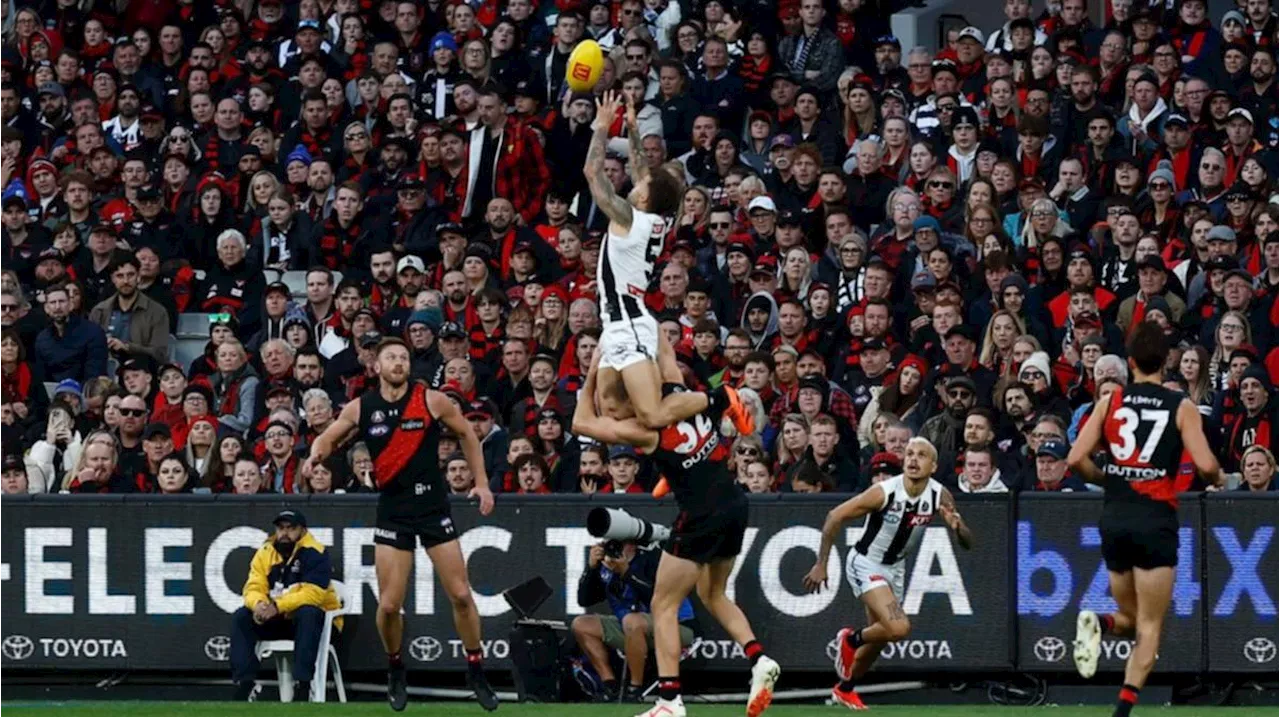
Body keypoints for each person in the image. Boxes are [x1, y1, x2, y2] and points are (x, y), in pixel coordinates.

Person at [571, 334, 778, 717]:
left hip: (699, 514)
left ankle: (669, 700)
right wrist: (644, 330)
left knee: (662, 605)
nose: (613, 410)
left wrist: (593, 368)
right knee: (713, 594)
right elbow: (665, 352)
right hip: (735, 504)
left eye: (616, 404)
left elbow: (581, 421)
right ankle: (758, 658)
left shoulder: (646, 429)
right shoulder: (685, 393)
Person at [302, 337, 498, 712]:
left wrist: (483, 483)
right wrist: (315, 456)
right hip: (393, 511)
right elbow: (330, 436)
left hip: (433, 507)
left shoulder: (430, 399)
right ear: (376, 366)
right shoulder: (363, 406)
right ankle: (395, 667)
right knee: (390, 605)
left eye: (403, 357)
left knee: (460, 594)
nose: (398, 362)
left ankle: (476, 668)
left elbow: (468, 435)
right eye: (390, 357)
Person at [1067, 322, 1222, 717]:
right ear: (1166, 363)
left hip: (1115, 517)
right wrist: (1218, 476)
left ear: (1130, 362)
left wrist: (1108, 479)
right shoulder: (1180, 405)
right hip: (1156, 520)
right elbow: (1205, 465)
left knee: (1130, 618)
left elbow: (1074, 459)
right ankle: (1122, 712)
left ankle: (1100, 623)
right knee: (1149, 625)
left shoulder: (1111, 401)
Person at [582, 90, 749, 436]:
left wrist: (601, 127)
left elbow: (592, 173)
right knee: (615, 414)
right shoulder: (655, 218)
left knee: (652, 415)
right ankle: (682, 442)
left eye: (638, 182)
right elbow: (647, 172)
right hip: (620, 320)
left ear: (643, 196)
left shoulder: (630, 218)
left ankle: (721, 399)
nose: (633, 178)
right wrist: (630, 128)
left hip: (627, 321)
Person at [802, 437, 973, 709]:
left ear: (933, 465)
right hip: (866, 562)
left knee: (881, 639)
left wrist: (956, 526)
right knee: (899, 627)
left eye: (921, 455)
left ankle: (845, 689)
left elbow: (968, 543)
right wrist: (821, 563)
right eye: (909, 454)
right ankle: (850, 639)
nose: (914, 459)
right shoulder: (885, 492)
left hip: (895, 568)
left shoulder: (939, 495)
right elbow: (835, 516)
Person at [230, 509, 343, 701]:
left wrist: (277, 606)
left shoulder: (316, 552)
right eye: (281, 528)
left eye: (291, 528)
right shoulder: (266, 552)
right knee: (242, 615)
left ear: (302, 531)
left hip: (321, 625)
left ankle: (303, 686)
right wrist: (259, 605)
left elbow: (313, 595)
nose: (284, 533)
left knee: (308, 612)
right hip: (281, 619)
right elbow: (253, 586)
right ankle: (245, 683)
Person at [571, 538, 697, 703]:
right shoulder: (607, 568)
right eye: (609, 544)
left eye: (618, 545)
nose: (613, 549)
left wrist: (627, 573)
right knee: (581, 624)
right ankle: (610, 686)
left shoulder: (652, 559)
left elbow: (657, 601)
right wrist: (592, 568)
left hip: (675, 625)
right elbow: (584, 600)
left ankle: (634, 689)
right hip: (632, 627)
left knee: (632, 621)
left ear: (632, 545)